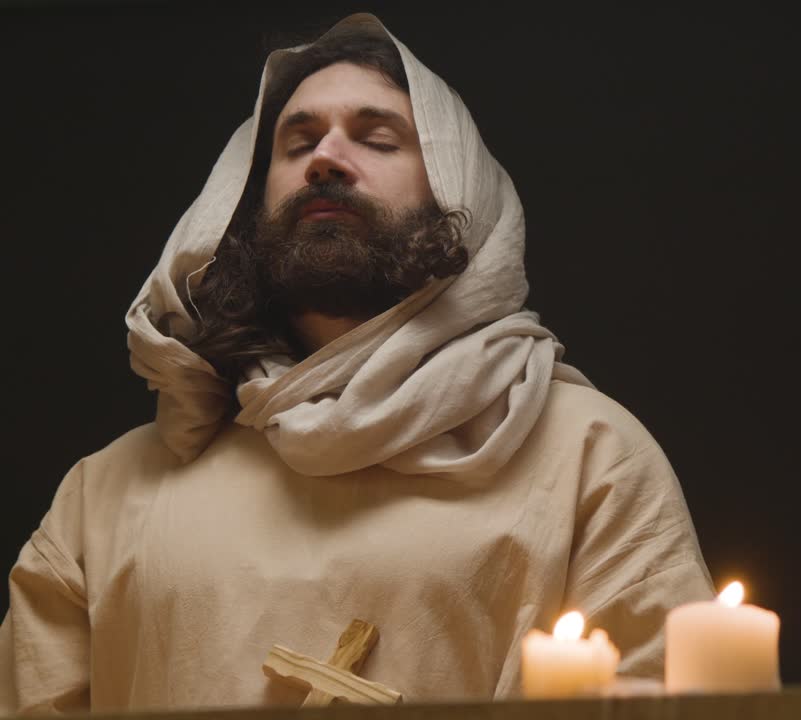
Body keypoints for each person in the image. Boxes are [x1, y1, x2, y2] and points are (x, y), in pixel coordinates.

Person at [0, 13, 714, 713]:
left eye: (377, 139)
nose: (326, 160)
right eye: (297, 143)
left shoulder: (589, 458)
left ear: (456, 190)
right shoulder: (108, 496)